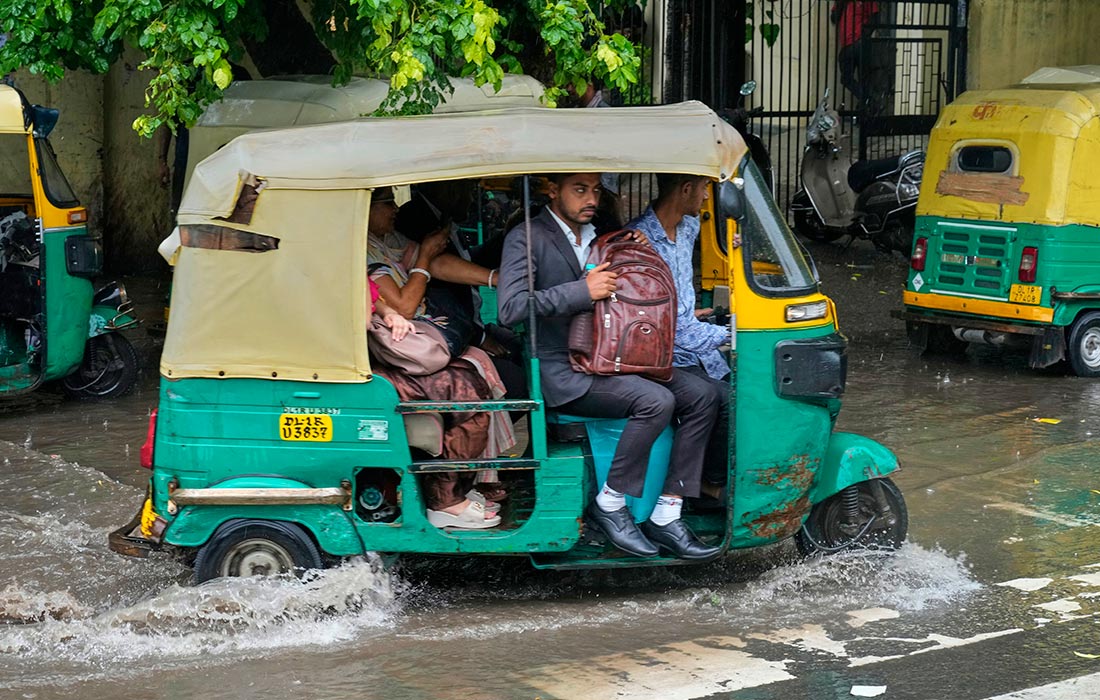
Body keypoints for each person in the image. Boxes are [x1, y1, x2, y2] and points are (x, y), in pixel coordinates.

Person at [497, 172, 721, 560]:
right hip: (564, 370)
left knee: (702, 395)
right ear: (553, 191)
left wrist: (630, 249)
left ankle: (668, 512)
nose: (591, 199)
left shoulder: (602, 232)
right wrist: (580, 291)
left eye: (596, 190)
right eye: (579, 190)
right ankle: (611, 504)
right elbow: (511, 309)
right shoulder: (528, 237)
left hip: (615, 358)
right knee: (655, 401)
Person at [367, 186, 514, 529]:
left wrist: (494, 278)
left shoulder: (388, 242)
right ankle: (444, 501)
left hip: (408, 347)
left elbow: (436, 263)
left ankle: (467, 484)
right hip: (387, 359)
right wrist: (421, 262)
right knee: (465, 389)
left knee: (479, 366)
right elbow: (403, 302)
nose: (394, 209)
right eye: (387, 202)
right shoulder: (358, 251)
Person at [628, 174, 733, 506]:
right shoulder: (640, 241)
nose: (704, 198)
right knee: (727, 400)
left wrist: (697, 315)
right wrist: (736, 333)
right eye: (703, 188)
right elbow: (671, 330)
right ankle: (707, 485)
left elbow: (680, 301)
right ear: (686, 189)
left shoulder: (688, 229)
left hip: (691, 347)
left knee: (747, 386)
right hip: (661, 356)